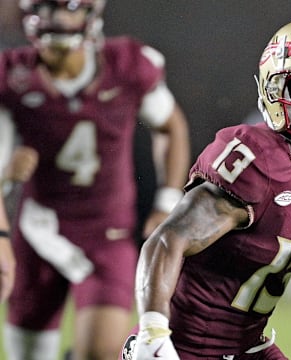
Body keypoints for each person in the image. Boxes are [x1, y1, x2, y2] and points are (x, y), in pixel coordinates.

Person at [125, 15, 291, 360]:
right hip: (180, 346)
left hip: (250, 348)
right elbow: (166, 240)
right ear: (276, 92)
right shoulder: (257, 161)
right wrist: (153, 333)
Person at [0, 0, 190, 359]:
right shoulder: (11, 78)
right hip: (37, 230)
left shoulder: (127, 66)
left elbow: (171, 126)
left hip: (106, 232)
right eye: (49, 9)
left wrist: (167, 201)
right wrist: (8, 178)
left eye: (67, 9)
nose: (58, 20)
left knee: (101, 353)